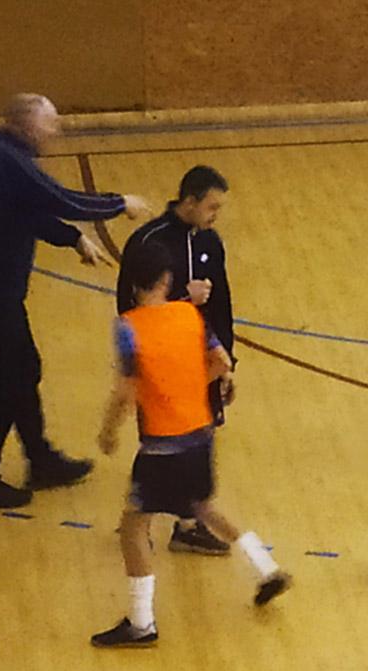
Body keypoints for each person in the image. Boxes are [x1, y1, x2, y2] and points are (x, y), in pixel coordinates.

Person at [0, 93, 150, 509]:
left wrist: (72, 238)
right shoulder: (8, 162)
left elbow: (25, 212)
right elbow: (62, 199)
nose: (56, 131)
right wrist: (119, 203)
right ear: (25, 125)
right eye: (49, 123)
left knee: (22, 370)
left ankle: (39, 460)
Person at [92, 240, 290, 648]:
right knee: (203, 507)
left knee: (133, 527)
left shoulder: (129, 328)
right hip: (200, 436)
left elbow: (125, 391)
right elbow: (221, 362)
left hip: (161, 447)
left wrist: (108, 432)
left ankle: (141, 623)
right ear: (167, 280)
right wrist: (188, 386)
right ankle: (266, 569)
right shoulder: (190, 315)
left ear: (132, 282)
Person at [116, 166, 234, 555]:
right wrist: (184, 298)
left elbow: (221, 305)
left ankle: (186, 526)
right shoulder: (148, 244)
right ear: (189, 201)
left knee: (197, 435)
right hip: (160, 369)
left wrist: (228, 360)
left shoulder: (211, 241)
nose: (215, 215)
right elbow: (131, 309)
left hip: (199, 364)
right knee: (159, 443)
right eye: (211, 206)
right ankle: (142, 522)